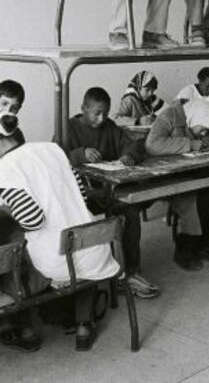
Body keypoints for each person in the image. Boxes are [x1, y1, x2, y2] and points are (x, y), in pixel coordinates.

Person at [0, 112, 119, 351]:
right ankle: (84, 325)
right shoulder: (53, 150)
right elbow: (82, 196)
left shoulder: (4, 169)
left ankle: (19, 327)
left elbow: (33, 220)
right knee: (75, 241)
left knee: (12, 251)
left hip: (57, 265)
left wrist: (6, 206)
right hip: (96, 249)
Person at [67, 87, 159, 299]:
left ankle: (130, 272)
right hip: (79, 196)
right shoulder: (68, 128)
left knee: (129, 210)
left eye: (106, 113)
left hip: (104, 191)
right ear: (83, 108)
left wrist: (128, 156)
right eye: (96, 113)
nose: (101, 119)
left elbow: (134, 145)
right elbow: (56, 156)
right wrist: (79, 154)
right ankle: (98, 271)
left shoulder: (110, 127)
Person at [145, 98, 209, 270]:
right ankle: (184, 250)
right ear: (193, 118)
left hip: (200, 172)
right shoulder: (169, 115)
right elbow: (152, 145)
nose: (203, 133)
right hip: (174, 176)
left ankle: (205, 244)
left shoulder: (200, 119)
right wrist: (192, 144)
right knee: (195, 203)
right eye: (202, 129)